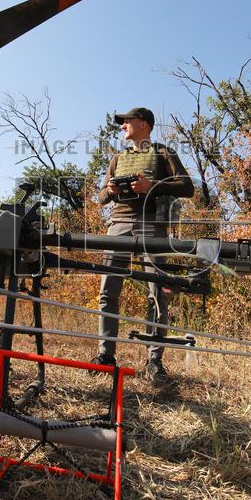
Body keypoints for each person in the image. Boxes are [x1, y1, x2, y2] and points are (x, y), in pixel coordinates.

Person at [94, 107, 194, 382]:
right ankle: (105, 356)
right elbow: (100, 197)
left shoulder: (164, 153)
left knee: (156, 293)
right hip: (119, 225)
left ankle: (154, 362)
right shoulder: (117, 158)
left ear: (144, 124)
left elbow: (188, 188)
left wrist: (154, 185)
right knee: (107, 291)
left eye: (126, 121)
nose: (123, 125)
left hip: (153, 226)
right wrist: (111, 192)